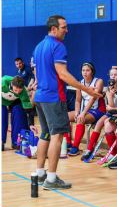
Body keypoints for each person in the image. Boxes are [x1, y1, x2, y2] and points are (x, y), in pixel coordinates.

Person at [33, 15, 101, 190]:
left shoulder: (39, 46)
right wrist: (87, 89)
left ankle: (40, 174)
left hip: (40, 97)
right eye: (64, 27)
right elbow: (62, 74)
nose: (67, 30)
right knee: (57, 136)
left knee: (45, 134)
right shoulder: (58, 46)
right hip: (54, 97)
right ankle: (51, 179)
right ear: (54, 29)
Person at [76, 67, 117, 157]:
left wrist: (114, 109)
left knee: (110, 125)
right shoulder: (109, 87)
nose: (113, 76)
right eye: (111, 75)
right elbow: (110, 106)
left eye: (116, 75)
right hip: (112, 112)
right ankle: (89, 149)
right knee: (99, 124)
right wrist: (110, 96)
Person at [63, 62, 105, 157]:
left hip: (98, 110)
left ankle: (75, 147)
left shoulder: (99, 81)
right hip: (84, 110)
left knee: (80, 119)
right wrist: (77, 111)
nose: (85, 72)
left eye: (87, 70)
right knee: (64, 117)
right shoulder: (80, 83)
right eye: (83, 70)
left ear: (92, 72)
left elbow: (93, 98)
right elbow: (78, 100)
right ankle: (68, 143)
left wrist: (82, 114)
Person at [2, 76, 32, 151]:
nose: (18, 92)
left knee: (19, 112)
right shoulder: (3, 83)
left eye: (20, 90)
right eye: (16, 90)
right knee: (2, 113)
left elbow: (28, 109)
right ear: (12, 85)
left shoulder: (23, 92)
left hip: (14, 102)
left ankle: (16, 142)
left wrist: (31, 124)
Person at [15, 57, 36, 127]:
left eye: (20, 63)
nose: (19, 65)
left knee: (30, 109)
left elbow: (33, 77)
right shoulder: (19, 71)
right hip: (24, 92)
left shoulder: (27, 68)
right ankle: (26, 125)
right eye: (17, 64)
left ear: (22, 62)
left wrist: (31, 85)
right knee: (26, 109)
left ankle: (31, 125)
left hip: (31, 91)